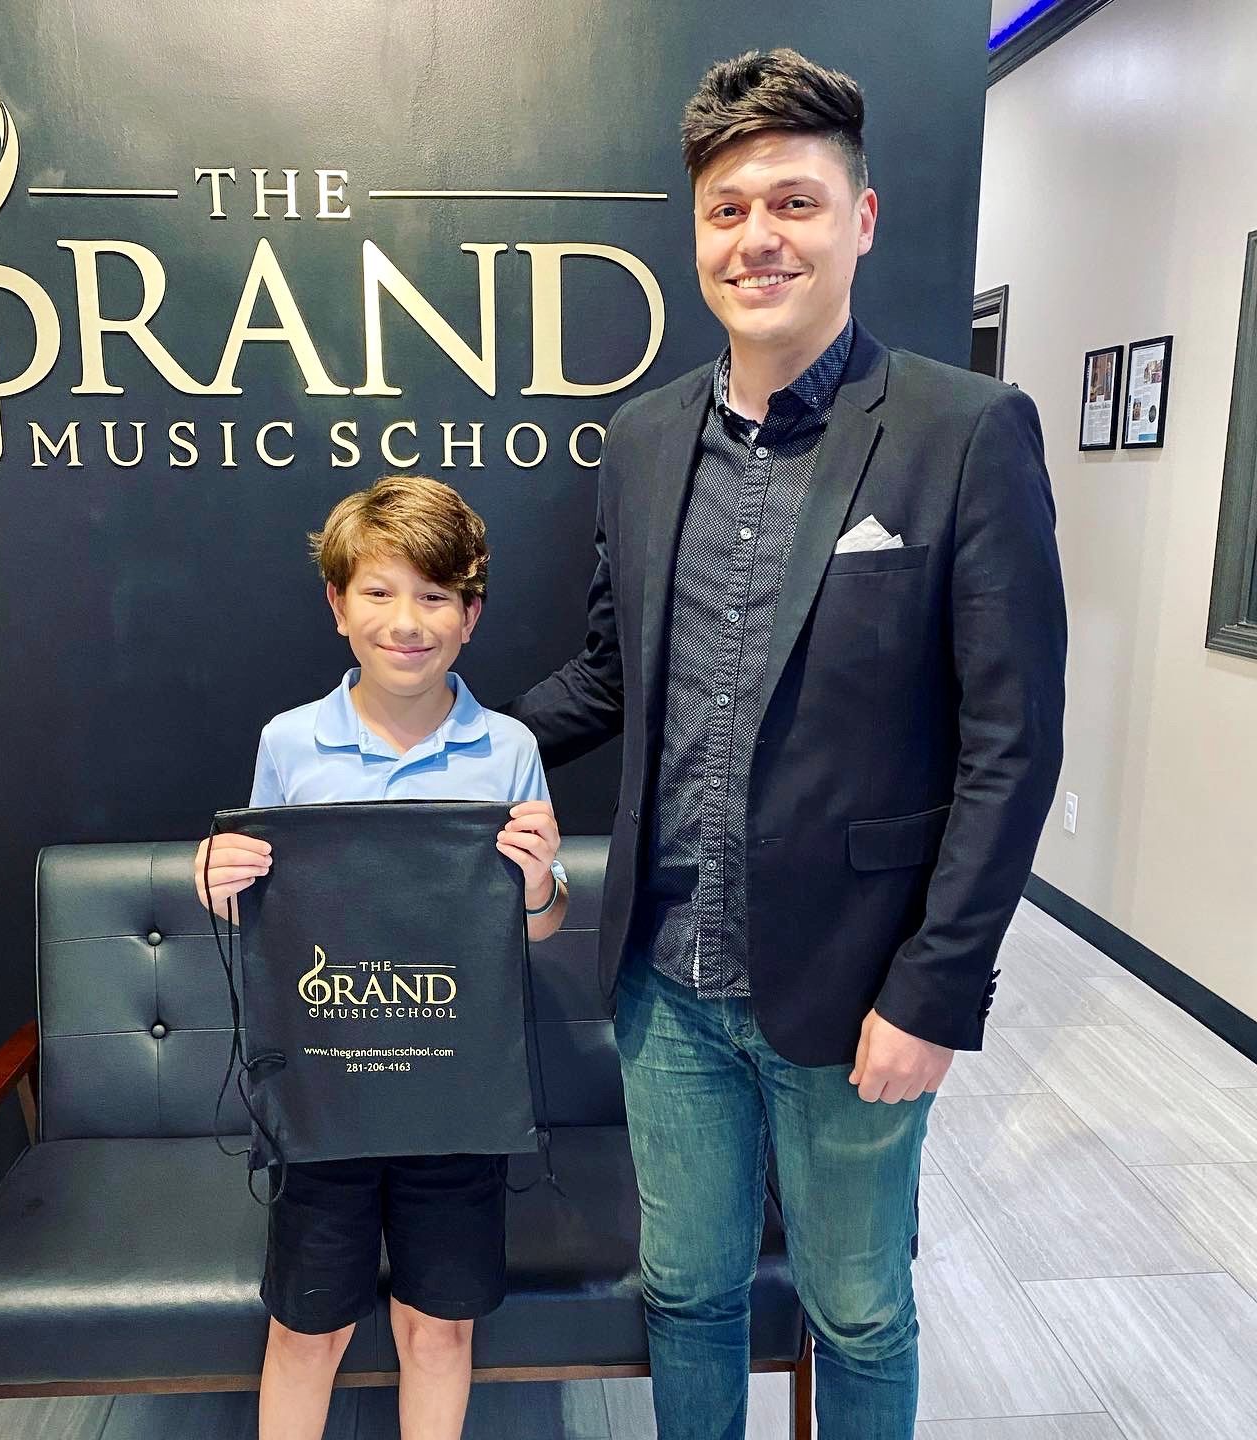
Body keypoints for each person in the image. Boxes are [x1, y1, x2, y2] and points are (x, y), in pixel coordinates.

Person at [505, 47, 1066, 1440]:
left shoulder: (964, 430)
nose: (759, 237)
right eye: (728, 208)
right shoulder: (638, 443)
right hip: (665, 984)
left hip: (856, 988)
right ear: (696, 233)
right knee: (688, 1292)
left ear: (861, 219)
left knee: (858, 1306)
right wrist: (429, 751)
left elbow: (1015, 740)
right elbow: (611, 676)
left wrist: (937, 992)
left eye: (796, 203)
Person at [195, 473, 567, 1440]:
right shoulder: (291, 744)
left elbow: (540, 928)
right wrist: (219, 881)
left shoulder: (509, 747)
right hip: (327, 1095)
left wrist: (540, 885)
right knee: (305, 1332)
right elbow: (265, 925)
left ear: (470, 615)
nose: (408, 621)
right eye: (378, 591)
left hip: (457, 1098)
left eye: (436, 596)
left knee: (438, 1331)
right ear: (337, 606)